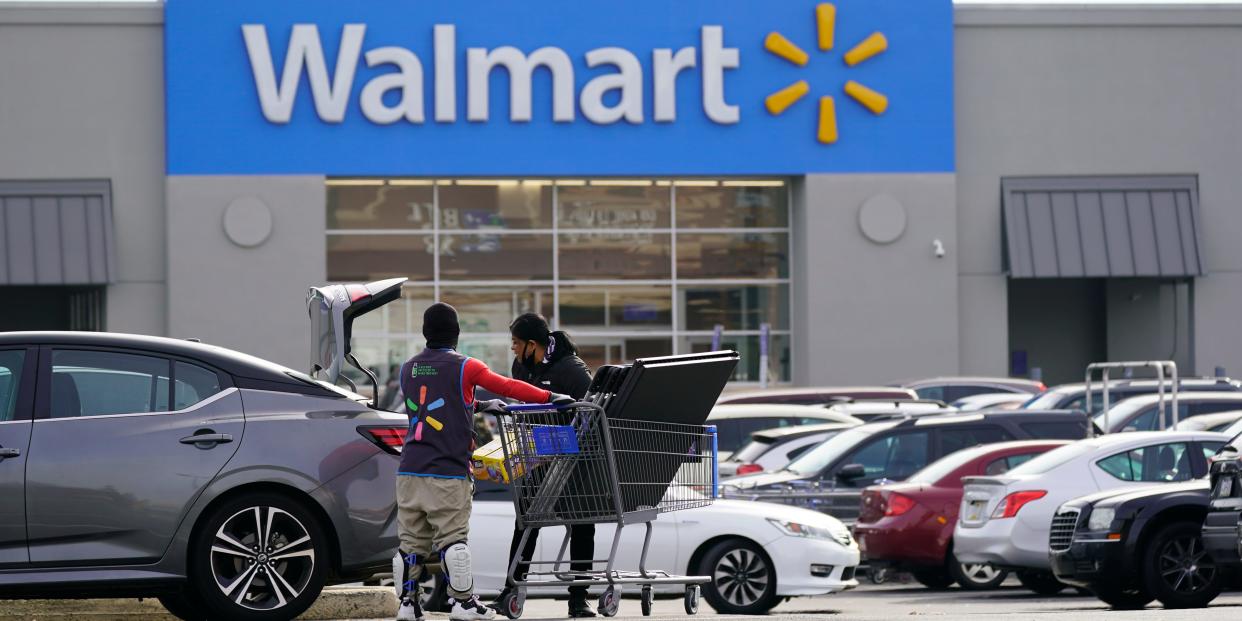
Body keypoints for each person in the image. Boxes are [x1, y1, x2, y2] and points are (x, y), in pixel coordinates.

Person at [393, 303, 573, 621]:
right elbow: (508, 385)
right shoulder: (466, 366)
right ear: (456, 334)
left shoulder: (408, 367)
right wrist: (550, 398)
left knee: (411, 542)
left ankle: (408, 603)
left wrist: (479, 404)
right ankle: (463, 603)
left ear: (425, 333)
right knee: (453, 540)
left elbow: (434, 404)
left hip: (409, 469)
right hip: (447, 471)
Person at [496, 313, 597, 618]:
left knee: (581, 525)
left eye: (515, 343)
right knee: (525, 522)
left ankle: (579, 599)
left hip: (573, 460)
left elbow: (592, 413)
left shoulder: (572, 369)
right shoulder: (521, 367)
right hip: (538, 456)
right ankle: (511, 591)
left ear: (532, 343)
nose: (512, 349)